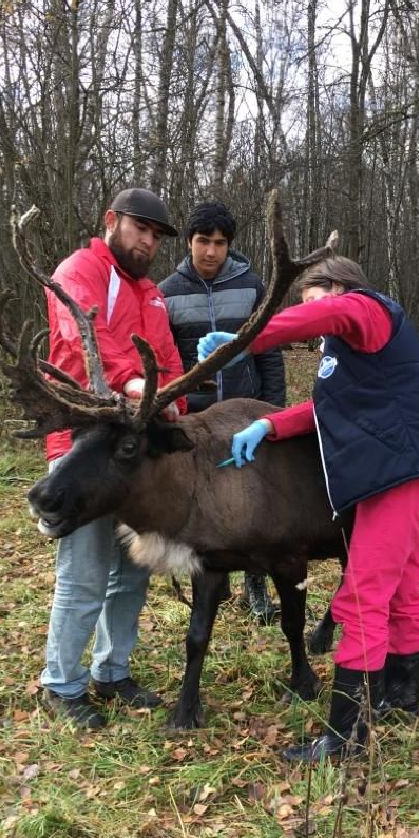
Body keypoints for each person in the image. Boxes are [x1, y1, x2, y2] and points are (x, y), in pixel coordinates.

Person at [198, 257, 419, 762]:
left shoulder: (369, 311)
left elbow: (335, 314)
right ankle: (399, 698)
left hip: (399, 472)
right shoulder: (347, 355)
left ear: (341, 288)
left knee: (363, 598)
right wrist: (269, 427)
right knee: (401, 587)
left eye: (314, 301)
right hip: (412, 471)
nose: (312, 317)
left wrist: (244, 341)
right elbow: (325, 411)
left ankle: (345, 739)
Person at [40, 188, 187, 730]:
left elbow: (169, 362)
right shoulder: (79, 269)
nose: (147, 241)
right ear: (111, 221)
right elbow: (83, 336)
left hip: (136, 453)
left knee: (131, 572)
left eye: (155, 235)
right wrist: (135, 381)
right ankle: (61, 683)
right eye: (139, 228)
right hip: (83, 443)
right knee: (83, 572)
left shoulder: (151, 294)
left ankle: (112, 671)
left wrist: (170, 396)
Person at [159, 201, 285, 624]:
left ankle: (256, 582)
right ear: (190, 243)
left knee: (253, 500)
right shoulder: (167, 293)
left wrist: (274, 411)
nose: (211, 252)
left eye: (220, 243)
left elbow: (269, 353)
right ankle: (212, 578)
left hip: (245, 415)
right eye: (203, 242)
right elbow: (165, 358)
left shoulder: (252, 285)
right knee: (202, 500)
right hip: (193, 417)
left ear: (230, 245)